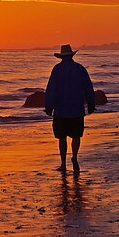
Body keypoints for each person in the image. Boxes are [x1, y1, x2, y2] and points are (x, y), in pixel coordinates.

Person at [44, 44, 96, 173]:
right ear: (71, 55)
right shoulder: (80, 69)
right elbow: (88, 88)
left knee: (62, 137)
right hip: (76, 109)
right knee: (76, 136)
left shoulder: (57, 70)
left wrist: (48, 107)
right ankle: (74, 157)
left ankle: (63, 163)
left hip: (61, 110)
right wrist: (91, 104)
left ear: (61, 57)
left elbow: (51, 89)